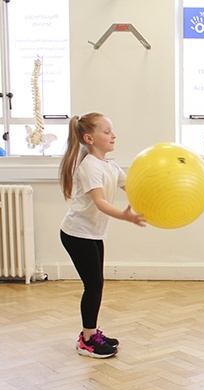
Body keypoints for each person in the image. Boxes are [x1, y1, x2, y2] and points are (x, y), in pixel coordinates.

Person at [59, 113, 146, 358]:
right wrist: (125, 215)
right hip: (76, 234)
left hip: (92, 234)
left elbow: (134, 189)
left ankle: (91, 331)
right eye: (106, 131)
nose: (113, 135)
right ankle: (87, 339)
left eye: (112, 131)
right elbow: (100, 202)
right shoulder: (89, 167)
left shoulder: (110, 166)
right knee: (94, 284)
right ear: (89, 138)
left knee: (97, 283)